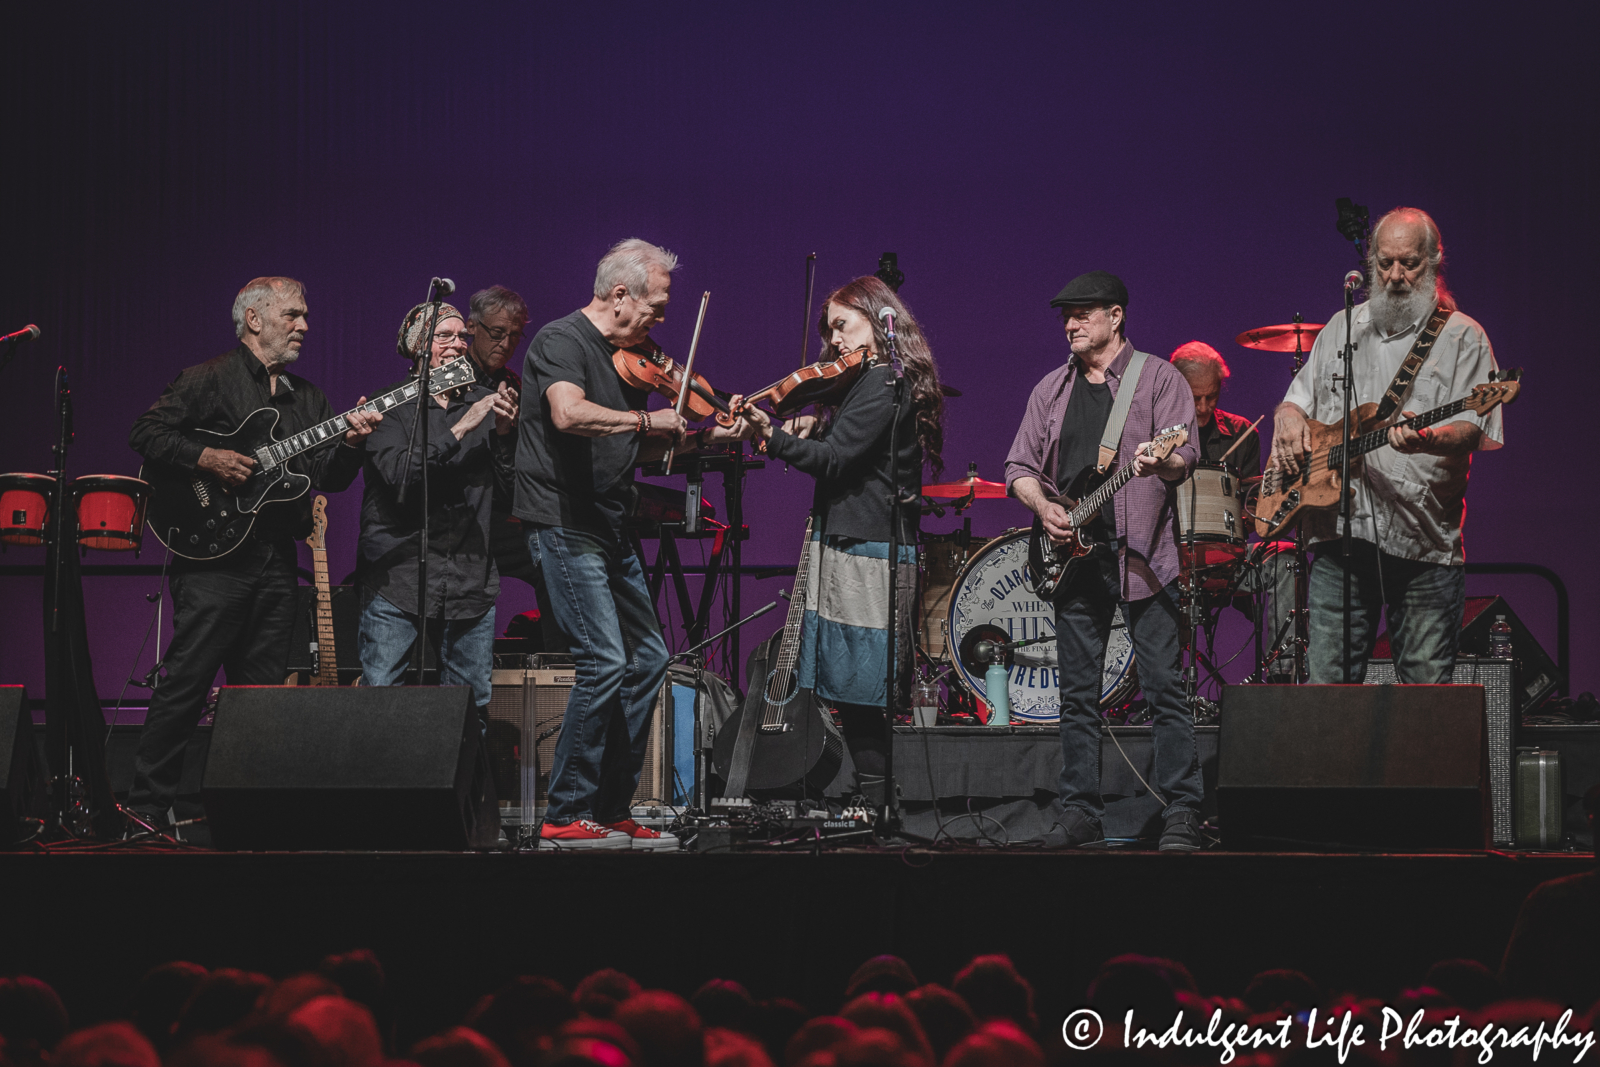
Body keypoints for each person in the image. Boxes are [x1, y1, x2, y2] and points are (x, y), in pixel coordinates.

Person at [515, 238, 751, 850]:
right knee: (604, 661)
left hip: (609, 527)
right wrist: (648, 419)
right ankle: (565, 813)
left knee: (647, 660)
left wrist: (703, 439)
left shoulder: (630, 356)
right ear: (620, 295)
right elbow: (568, 415)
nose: (663, 321)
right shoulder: (560, 342)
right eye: (657, 305)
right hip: (564, 525)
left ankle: (611, 807)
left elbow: (631, 445)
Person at [127, 277, 379, 831]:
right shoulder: (208, 378)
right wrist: (208, 456)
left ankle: (231, 808)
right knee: (188, 682)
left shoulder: (307, 399)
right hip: (213, 560)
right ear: (254, 320)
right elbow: (145, 432)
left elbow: (328, 480)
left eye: (306, 315)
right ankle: (146, 806)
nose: (305, 326)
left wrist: (355, 443)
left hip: (273, 561)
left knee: (257, 697)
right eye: (293, 314)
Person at [1005, 270, 1203, 851]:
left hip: (1142, 557)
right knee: (1078, 694)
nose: (1070, 323)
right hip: (1072, 559)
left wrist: (1159, 462)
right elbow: (1018, 469)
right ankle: (1080, 812)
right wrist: (1043, 507)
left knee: (1165, 688)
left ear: (1116, 316)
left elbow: (1185, 456)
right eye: (1066, 314)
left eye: (1083, 313)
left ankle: (1182, 811)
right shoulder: (1051, 389)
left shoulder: (1158, 380)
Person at [735, 275, 944, 813]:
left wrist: (769, 435)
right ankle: (875, 800)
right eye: (830, 331)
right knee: (852, 688)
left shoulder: (882, 383)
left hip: (867, 550)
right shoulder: (868, 384)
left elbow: (833, 462)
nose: (835, 342)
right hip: (857, 544)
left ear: (878, 321)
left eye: (843, 326)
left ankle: (878, 803)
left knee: (858, 687)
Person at [1270, 207, 1504, 683]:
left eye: (1410, 262)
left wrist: (1430, 438)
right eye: (1385, 262)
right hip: (1341, 537)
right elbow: (1297, 401)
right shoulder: (1342, 327)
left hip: (1420, 543)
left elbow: (1476, 427)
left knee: (1423, 697)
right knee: (1327, 693)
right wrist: (1287, 415)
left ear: (1434, 261)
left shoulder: (1463, 337)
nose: (1396, 275)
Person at [355, 301, 516, 716]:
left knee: (470, 710)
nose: (458, 344)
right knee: (380, 703)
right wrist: (462, 427)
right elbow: (400, 477)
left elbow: (512, 493)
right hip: (398, 580)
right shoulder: (388, 406)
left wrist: (502, 436)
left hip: (469, 582)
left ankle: (464, 784)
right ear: (417, 348)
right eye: (445, 336)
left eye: (463, 336)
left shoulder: (486, 401)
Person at [464, 286, 563, 653]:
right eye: (497, 333)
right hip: (460, 514)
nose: (506, 344)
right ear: (472, 327)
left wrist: (508, 434)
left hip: (501, 511)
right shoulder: (449, 378)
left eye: (515, 336)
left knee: (554, 563)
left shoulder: (515, 385)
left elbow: (518, 468)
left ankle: (560, 670)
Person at [1169, 342, 1260, 475]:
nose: (1204, 408)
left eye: (1212, 396)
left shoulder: (1243, 433)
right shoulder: (1154, 430)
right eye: (1195, 398)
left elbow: (1250, 492)